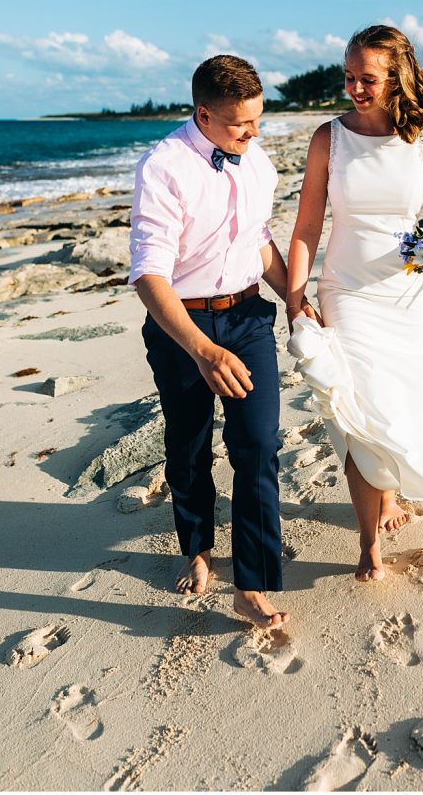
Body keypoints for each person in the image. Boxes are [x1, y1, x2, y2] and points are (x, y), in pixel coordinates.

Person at [286, 25, 423, 582]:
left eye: (368, 79)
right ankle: (368, 544)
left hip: (406, 291)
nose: (355, 87)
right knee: (359, 407)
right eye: (349, 76)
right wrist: (295, 295)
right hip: (346, 288)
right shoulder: (327, 139)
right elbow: (307, 226)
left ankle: (391, 493)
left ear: (397, 76)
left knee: (397, 400)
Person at [129, 54, 309, 628]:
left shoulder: (257, 163)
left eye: (258, 120)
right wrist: (202, 351)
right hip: (181, 325)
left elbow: (258, 239)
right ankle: (198, 548)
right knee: (188, 442)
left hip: (249, 316)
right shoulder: (163, 167)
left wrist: (295, 296)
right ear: (203, 114)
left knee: (258, 442)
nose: (253, 134)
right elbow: (149, 275)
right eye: (240, 125)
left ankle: (252, 583)